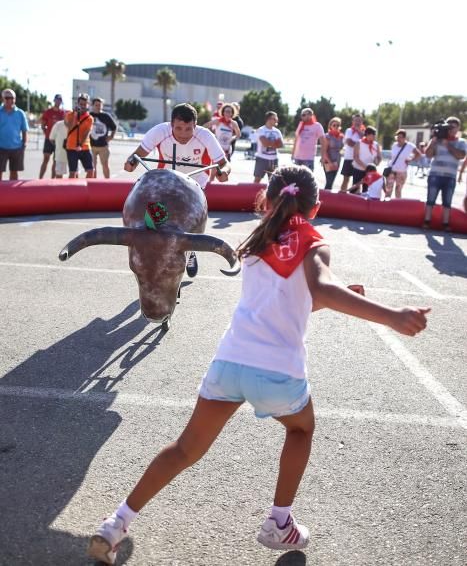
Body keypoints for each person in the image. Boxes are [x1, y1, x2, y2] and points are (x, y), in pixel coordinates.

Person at [87, 165, 430, 565]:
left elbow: (294, 298)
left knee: (184, 449)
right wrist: (391, 315)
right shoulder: (314, 242)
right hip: (277, 371)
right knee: (301, 429)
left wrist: (327, 298)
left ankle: (115, 524)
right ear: (315, 208)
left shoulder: (255, 241)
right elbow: (320, 287)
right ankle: (278, 521)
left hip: (230, 361)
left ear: (265, 201)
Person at [124, 103, 231, 277]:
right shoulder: (159, 131)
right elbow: (138, 153)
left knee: (190, 224)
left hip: (195, 185)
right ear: (171, 124)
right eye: (178, 128)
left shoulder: (205, 136)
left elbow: (223, 163)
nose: (183, 134)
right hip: (165, 182)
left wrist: (224, 172)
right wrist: (131, 162)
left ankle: (191, 251)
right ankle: (153, 255)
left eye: (188, 129)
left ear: (195, 126)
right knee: (153, 221)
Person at [423, 116, 466, 231]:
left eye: (453, 127)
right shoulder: (438, 139)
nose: (451, 129)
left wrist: (448, 145)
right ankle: (427, 221)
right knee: (430, 199)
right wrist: (433, 142)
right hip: (435, 174)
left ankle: (445, 223)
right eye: (449, 126)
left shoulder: (461, 142)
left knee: (447, 201)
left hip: (450, 176)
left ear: (458, 128)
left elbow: (460, 155)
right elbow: (428, 154)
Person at [0, 88, 28, 181]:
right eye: (7, 98)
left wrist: (24, 144)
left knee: (14, 172)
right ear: (2, 99)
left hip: (16, 148)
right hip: (1, 147)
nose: (10, 100)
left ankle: (12, 194)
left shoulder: (20, 113)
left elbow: (24, 130)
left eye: (12, 98)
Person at [64, 93, 94, 179]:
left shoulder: (89, 118)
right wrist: (75, 115)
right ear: (77, 104)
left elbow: (87, 133)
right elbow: (70, 127)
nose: (83, 106)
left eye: (85, 104)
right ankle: (71, 190)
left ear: (88, 105)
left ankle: (87, 188)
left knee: (90, 170)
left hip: (84, 146)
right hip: (71, 146)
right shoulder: (70, 115)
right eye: (81, 104)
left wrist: (80, 145)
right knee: (73, 172)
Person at [384, 130, 421, 199]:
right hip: (392, 170)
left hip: (402, 171)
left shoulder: (410, 146)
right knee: (388, 190)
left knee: (398, 190)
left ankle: (397, 206)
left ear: (404, 138)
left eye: (400, 137)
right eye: (397, 137)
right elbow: (392, 157)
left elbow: (418, 154)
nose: (398, 139)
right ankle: (386, 205)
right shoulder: (394, 145)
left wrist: (410, 160)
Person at [39, 94, 65, 178]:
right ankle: (40, 178)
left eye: (60, 100)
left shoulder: (63, 113)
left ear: (61, 102)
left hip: (58, 141)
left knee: (55, 161)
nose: (58, 101)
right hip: (48, 139)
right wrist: (46, 133)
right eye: (57, 100)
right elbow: (43, 124)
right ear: (54, 100)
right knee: (46, 159)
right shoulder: (48, 112)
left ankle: (52, 180)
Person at [90, 97, 117, 178]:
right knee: (92, 167)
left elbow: (114, 127)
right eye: (96, 105)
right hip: (91, 146)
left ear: (102, 106)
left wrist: (111, 136)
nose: (98, 106)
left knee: (105, 165)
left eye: (99, 105)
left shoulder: (106, 116)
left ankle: (107, 183)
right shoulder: (89, 115)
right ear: (92, 105)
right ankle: (93, 184)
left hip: (103, 146)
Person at [254, 111, 284, 183]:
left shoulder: (277, 131)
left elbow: (281, 144)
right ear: (269, 119)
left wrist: (270, 143)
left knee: (273, 181)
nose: (276, 120)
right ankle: (253, 194)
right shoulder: (261, 130)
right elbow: (265, 143)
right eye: (274, 118)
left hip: (274, 159)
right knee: (257, 179)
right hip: (262, 158)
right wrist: (274, 143)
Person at [339, 114, 365, 192]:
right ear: (352, 121)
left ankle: (355, 197)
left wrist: (359, 132)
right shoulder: (349, 131)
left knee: (357, 181)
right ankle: (342, 195)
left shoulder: (364, 132)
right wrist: (359, 146)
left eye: (359, 121)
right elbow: (349, 142)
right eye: (356, 120)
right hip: (349, 158)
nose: (357, 122)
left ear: (362, 122)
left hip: (359, 160)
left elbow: (366, 142)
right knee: (346, 178)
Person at [351, 126, 382, 194]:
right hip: (358, 169)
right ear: (367, 134)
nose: (374, 136)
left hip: (370, 172)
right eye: (373, 134)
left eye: (375, 135)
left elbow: (379, 157)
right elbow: (355, 157)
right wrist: (365, 167)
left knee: (366, 189)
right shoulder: (359, 143)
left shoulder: (376, 144)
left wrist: (377, 163)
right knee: (355, 188)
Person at [323, 117, 344, 190]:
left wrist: (341, 152)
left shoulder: (341, 137)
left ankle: (328, 199)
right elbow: (324, 151)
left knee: (331, 182)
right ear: (330, 126)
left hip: (337, 161)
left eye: (338, 125)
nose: (336, 127)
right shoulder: (327, 136)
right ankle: (323, 199)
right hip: (328, 161)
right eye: (334, 125)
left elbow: (342, 149)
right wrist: (330, 162)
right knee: (329, 182)